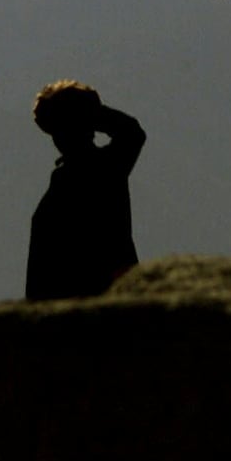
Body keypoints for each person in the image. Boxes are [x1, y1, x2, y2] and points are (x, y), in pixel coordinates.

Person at [25, 81, 145, 300]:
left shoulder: (103, 168)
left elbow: (132, 133)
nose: (57, 137)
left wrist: (89, 113)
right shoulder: (101, 169)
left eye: (60, 126)